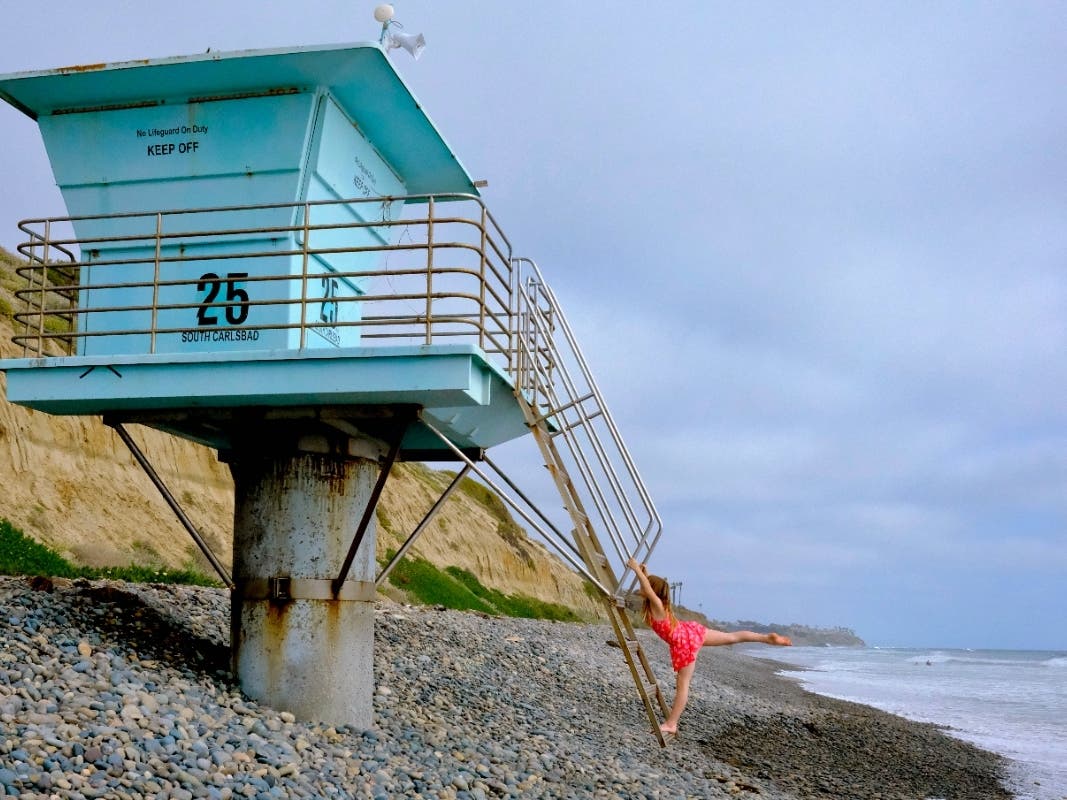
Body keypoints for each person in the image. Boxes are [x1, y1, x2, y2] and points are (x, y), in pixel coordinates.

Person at [626, 556, 792, 734]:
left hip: (684, 642)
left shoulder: (656, 604)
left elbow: (649, 589)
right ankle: (765, 638)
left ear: (651, 590)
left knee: (683, 684)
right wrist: (645, 572)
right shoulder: (658, 604)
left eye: (644, 584)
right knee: (731, 637)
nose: (640, 586)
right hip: (690, 632)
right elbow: (651, 588)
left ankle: (672, 723)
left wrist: (636, 569)